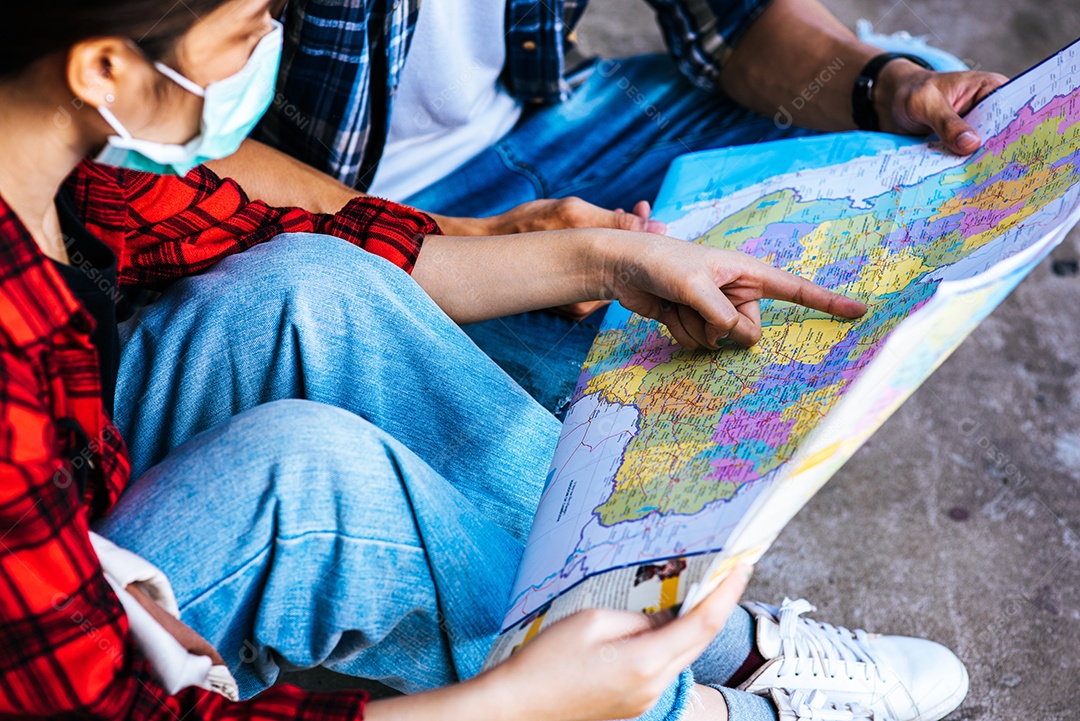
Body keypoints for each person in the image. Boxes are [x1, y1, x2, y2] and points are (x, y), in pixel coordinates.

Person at [0, 1, 967, 720]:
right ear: (102, 71)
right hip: (58, 668)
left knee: (304, 285)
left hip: (75, 515)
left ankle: (704, 631)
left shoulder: (69, 178)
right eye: (248, 28)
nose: (270, 42)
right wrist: (514, 705)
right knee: (316, 486)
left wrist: (604, 258)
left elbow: (268, 228)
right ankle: (683, 703)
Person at [206, 0, 1010, 414]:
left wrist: (888, 84)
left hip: (551, 118)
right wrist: (485, 241)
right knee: (619, 383)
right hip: (331, 205)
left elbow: (736, 20)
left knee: (922, 139)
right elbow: (160, 143)